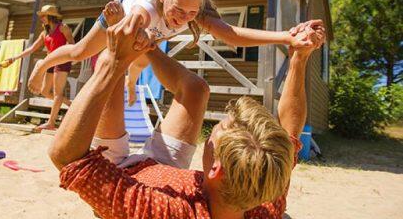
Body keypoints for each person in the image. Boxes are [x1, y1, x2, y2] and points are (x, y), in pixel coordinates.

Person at [48, 14, 325, 218]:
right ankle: (149, 47)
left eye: (214, 133)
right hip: (164, 168)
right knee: (196, 89)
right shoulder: (265, 189)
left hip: (121, 169)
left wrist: (114, 63)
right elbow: (291, 126)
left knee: (113, 82)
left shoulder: (165, 211)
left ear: (216, 170)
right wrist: (299, 58)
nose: (211, 131)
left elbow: (65, 156)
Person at [27, 0, 314, 106]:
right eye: (178, 9)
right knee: (80, 53)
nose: (183, 18)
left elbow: (233, 34)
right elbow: (133, 24)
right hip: (119, 14)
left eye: (191, 13)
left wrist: (286, 37)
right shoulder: (147, 9)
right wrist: (126, 28)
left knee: (143, 55)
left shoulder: (194, 11)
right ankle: (44, 63)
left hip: (148, 37)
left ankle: (131, 84)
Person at [6, 5, 75, 131]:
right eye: (41, 16)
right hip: (49, 62)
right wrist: (15, 58)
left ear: (51, 16)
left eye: (44, 15)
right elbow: (32, 49)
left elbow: (72, 45)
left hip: (62, 61)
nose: (41, 18)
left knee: (57, 93)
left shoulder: (63, 28)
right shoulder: (45, 33)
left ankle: (51, 122)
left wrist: (71, 58)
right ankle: (71, 104)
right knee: (44, 91)